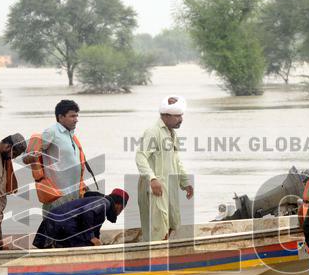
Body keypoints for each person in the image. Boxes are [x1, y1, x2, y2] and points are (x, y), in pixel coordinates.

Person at [135, 96, 194, 241]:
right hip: (155, 186)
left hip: (169, 186)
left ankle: (165, 255)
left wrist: (185, 182)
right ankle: (156, 258)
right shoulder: (153, 132)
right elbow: (140, 156)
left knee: (172, 222)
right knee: (158, 226)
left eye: (181, 115)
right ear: (165, 116)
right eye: (177, 116)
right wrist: (152, 179)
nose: (181, 119)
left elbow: (176, 160)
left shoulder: (171, 134)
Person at [32, 189, 129, 249]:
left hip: (53, 221)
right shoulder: (104, 203)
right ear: (119, 206)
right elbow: (88, 213)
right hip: (61, 224)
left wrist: (97, 241)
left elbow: (95, 230)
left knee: (87, 242)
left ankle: (56, 245)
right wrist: (91, 237)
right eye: (122, 209)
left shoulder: (100, 204)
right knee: (86, 243)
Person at [39, 100, 90, 211]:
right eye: (72, 116)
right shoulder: (51, 132)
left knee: (72, 226)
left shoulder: (71, 135)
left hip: (74, 193)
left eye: (76, 116)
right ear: (61, 117)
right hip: (57, 195)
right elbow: (29, 154)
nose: (76, 120)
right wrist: (30, 157)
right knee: (53, 226)